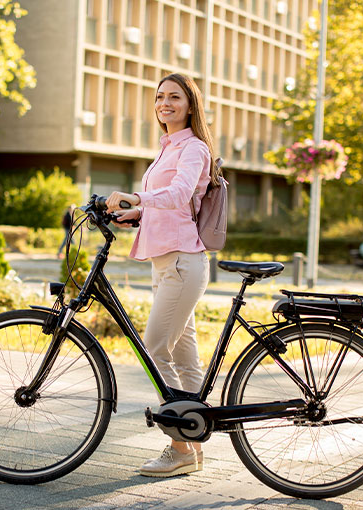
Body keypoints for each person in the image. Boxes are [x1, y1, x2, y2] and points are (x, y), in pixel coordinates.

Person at [106, 73, 221, 478]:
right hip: (166, 264)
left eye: (174, 97)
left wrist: (138, 197)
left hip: (182, 263)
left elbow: (178, 193)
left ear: (190, 104)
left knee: (155, 348)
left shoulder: (194, 149)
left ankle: (179, 446)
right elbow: (166, 205)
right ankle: (194, 445)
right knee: (186, 362)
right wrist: (132, 213)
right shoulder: (167, 147)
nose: (164, 103)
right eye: (159, 97)